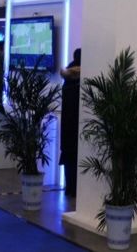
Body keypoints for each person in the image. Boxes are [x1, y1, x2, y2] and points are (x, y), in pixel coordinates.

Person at [60, 48, 81, 197]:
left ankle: (70, 189)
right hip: (78, 129)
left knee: (69, 160)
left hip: (67, 130)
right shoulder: (80, 82)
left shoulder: (67, 80)